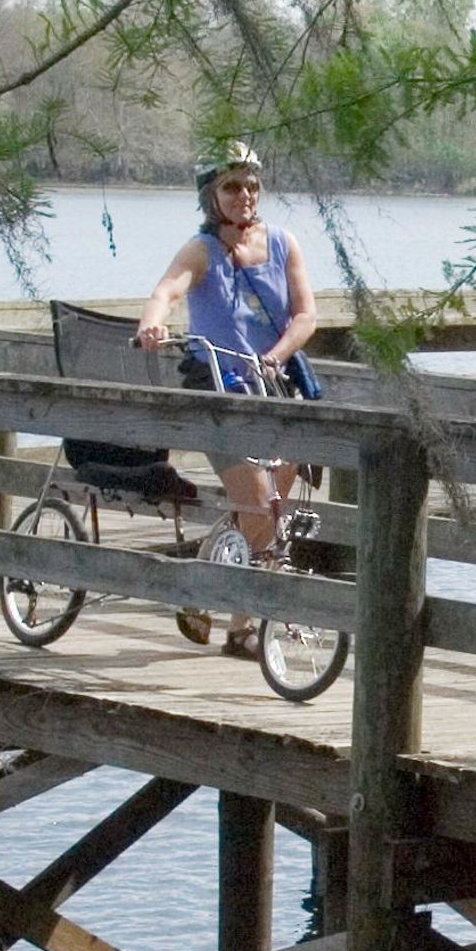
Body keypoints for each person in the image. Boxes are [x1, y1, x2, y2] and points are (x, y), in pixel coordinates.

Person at [134, 145, 319, 647]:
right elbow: (168, 290)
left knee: (269, 508)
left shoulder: (283, 244)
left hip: (273, 386)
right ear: (211, 196)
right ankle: (221, 603)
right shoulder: (202, 250)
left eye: (252, 186)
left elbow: (305, 315)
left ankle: (239, 626)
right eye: (232, 187)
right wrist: (153, 323)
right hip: (219, 388)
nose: (245, 196)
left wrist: (278, 355)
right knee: (257, 503)